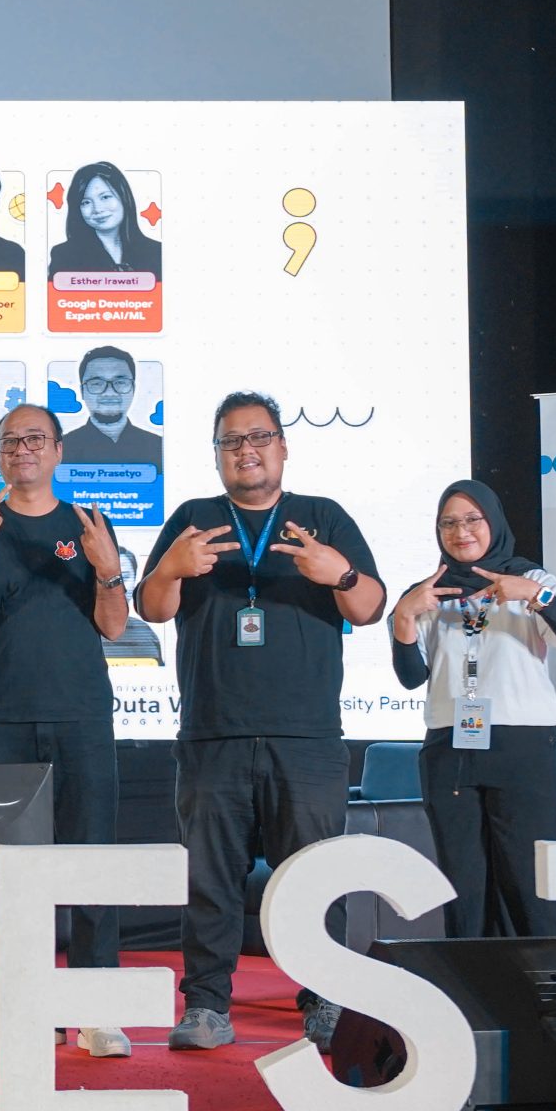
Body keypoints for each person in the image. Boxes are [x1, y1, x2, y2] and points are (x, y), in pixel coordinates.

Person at [135, 391, 385, 1052]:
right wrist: (171, 568)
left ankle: (323, 998)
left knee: (313, 877)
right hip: (212, 733)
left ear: (282, 446)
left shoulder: (322, 516)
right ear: (217, 453)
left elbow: (369, 608)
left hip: (306, 738)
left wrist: (340, 572)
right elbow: (154, 609)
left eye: (258, 437)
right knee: (210, 881)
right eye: (231, 441)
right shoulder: (193, 518)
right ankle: (207, 1006)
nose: (246, 450)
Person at [0, 403, 134, 1059]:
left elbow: (115, 625)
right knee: (12, 870)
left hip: (82, 714)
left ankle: (94, 1010)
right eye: (10, 440)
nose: (22, 449)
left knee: (90, 861)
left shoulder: (87, 523)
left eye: (34, 439)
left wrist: (108, 567)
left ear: (57, 450)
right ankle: (21, 1006)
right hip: (5, 716)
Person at [390, 478, 556, 939]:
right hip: (450, 746)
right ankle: (470, 982)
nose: (460, 531)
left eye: (472, 519)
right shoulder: (428, 593)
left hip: (521, 745)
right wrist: (404, 616)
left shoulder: (532, 582)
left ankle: (543, 981)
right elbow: (410, 676)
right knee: (461, 883)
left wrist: (535, 596)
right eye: (448, 523)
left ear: (494, 523)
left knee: (530, 879)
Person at [46, 160, 161, 278]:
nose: (97, 209)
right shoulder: (64, 255)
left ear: (124, 197)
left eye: (105, 197)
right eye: (86, 202)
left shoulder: (155, 251)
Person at [64, 346, 163, 466]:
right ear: (82, 392)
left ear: (133, 389)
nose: (109, 393)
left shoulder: (159, 447)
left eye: (120, 382)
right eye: (97, 383)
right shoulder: (61, 449)